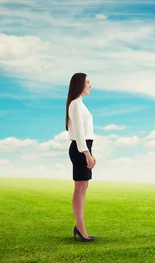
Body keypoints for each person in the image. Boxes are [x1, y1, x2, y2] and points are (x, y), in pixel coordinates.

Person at [66, 72, 96, 242]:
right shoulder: (75, 105)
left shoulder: (80, 105)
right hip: (80, 149)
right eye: (87, 82)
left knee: (83, 188)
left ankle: (80, 226)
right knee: (79, 189)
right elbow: (78, 132)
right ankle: (80, 227)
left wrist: (91, 152)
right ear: (79, 84)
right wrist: (86, 153)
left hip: (84, 148)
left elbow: (86, 132)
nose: (90, 85)